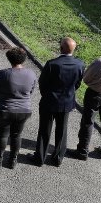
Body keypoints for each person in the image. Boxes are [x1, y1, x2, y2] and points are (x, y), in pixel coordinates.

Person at [34, 37, 84, 167]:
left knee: (45, 130)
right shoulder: (80, 64)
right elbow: (77, 83)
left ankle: (40, 157)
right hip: (66, 102)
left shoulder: (52, 64)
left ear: (61, 48)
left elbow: (42, 83)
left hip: (49, 102)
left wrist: (46, 95)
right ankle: (58, 158)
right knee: (62, 131)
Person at [0, 47, 36, 169]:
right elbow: (31, 91)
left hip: (4, 109)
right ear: (24, 59)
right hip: (24, 110)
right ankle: (12, 161)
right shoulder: (31, 74)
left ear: (9, 59)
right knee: (17, 135)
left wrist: (0, 101)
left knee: (2, 135)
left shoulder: (3, 73)